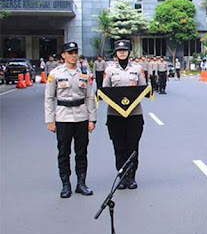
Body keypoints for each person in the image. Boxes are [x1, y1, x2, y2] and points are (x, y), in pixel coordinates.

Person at [44, 42, 96, 198]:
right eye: (70, 53)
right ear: (63, 55)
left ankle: (81, 183)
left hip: (81, 116)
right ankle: (65, 184)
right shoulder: (55, 73)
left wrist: (91, 119)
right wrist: (50, 120)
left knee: (81, 152)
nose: (73, 56)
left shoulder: (84, 74)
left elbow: (89, 97)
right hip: (63, 116)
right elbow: (49, 97)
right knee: (64, 152)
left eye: (75, 53)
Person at [103, 40, 146, 189]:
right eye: (119, 50)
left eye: (124, 50)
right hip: (115, 115)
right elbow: (105, 90)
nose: (122, 52)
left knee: (132, 146)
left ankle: (132, 176)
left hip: (134, 114)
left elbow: (143, 88)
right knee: (118, 145)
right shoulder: (109, 70)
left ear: (129, 52)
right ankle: (121, 175)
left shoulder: (137, 68)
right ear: (115, 52)